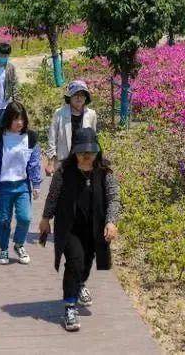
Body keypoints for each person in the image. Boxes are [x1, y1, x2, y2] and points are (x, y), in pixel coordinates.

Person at [39, 127, 120, 332]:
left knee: (86, 262)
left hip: (94, 227)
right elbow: (53, 196)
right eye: (82, 153)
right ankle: (69, 306)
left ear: (97, 152)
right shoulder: (63, 172)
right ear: (74, 152)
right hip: (69, 227)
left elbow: (113, 198)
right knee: (75, 261)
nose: (86, 157)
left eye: (90, 154)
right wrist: (45, 219)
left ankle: (80, 284)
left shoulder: (105, 172)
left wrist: (111, 221)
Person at [0, 101, 42, 265]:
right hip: (4, 187)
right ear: (8, 119)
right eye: (15, 119)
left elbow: (34, 162)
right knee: (3, 219)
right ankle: (4, 248)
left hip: (22, 185)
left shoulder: (30, 138)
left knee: (25, 218)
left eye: (22, 119)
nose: (19, 123)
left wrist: (36, 184)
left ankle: (19, 244)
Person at [45, 80, 97, 175]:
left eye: (82, 95)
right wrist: (50, 163)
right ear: (70, 96)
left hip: (83, 161)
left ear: (86, 97)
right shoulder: (59, 113)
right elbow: (52, 139)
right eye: (75, 94)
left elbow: (93, 140)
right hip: (63, 161)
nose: (79, 97)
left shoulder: (91, 114)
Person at [0, 42, 18, 137]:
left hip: (4, 104)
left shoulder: (10, 68)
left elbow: (14, 85)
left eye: (5, 55)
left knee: (1, 128)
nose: (2, 57)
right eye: (0, 55)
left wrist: (16, 102)